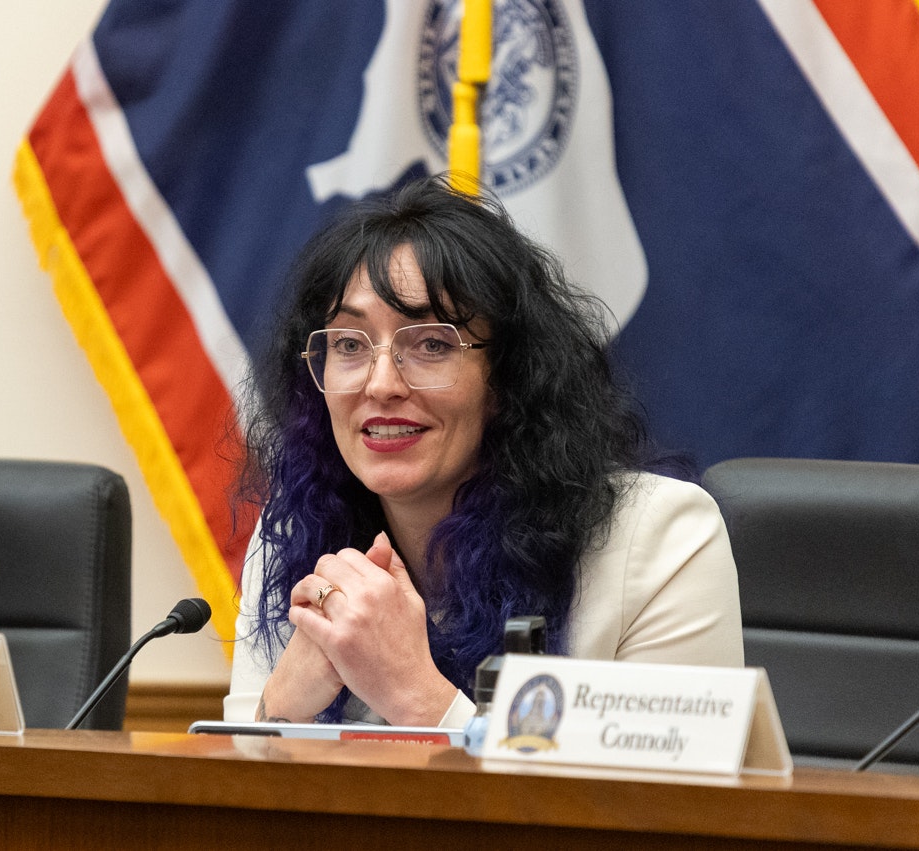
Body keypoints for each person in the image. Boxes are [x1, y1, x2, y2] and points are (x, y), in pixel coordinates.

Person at [224, 175, 741, 728]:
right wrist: (277, 711)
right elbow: (232, 802)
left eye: (430, 344)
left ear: (507, 378)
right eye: (350, 344)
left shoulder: (658, 538)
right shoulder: (298, 535)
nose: (380, 385)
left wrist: (416, 697)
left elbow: (663, 809)